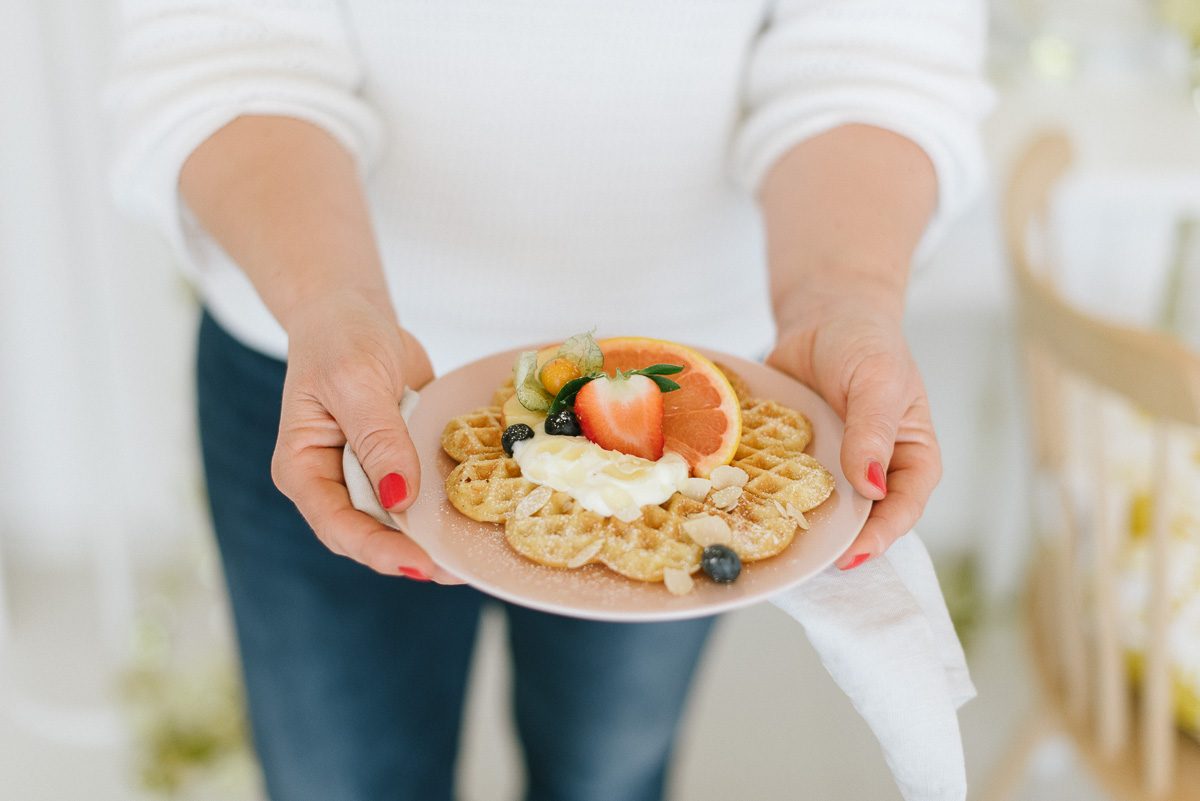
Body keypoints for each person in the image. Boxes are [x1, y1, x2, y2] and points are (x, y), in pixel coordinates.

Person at [109, 2, 990, 800]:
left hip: (693, 401)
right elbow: (221, 39)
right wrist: (330, 303)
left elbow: (873, 47)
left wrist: (844, 297)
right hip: (322, 367)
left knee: (608, 778)